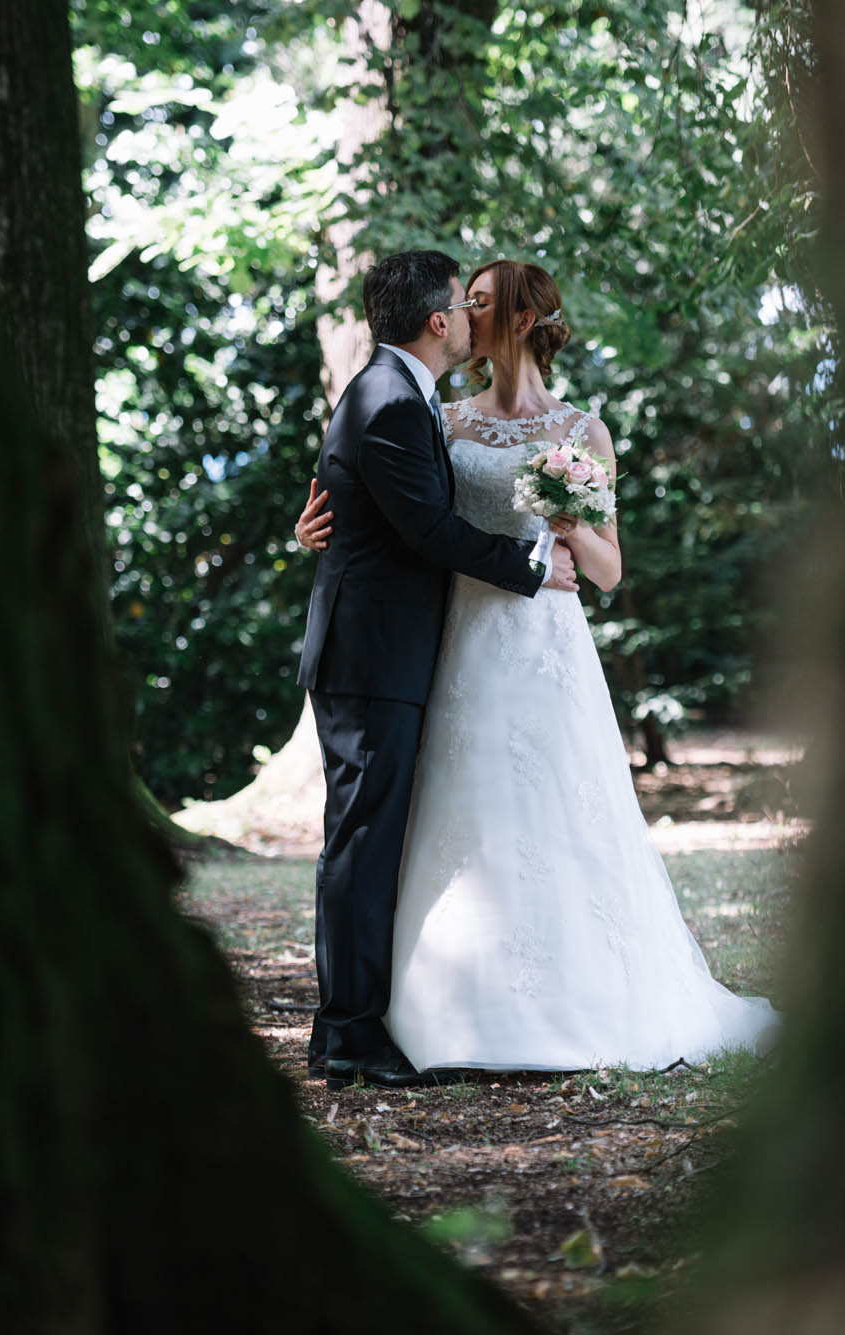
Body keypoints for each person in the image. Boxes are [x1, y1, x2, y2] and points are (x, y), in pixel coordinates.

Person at [296, 258, 776, 1073]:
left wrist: (567, 522)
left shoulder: (584, 433)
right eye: (463, 301)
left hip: (546, 647)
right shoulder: (438, 416)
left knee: (559, 814)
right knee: (443, 816)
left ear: (519, 320)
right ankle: (416, 1009)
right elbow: (384, 500)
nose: (465, 316)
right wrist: (314, 529)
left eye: (480, 303)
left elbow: (608, 569)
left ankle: (569, 998)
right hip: (453, 640)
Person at [295, 250, 580, 1090]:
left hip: (387, 646)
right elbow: (424, 527)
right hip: (371, 652)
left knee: (372, 837)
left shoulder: (397, 396)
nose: (467, 317)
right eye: (462, 305)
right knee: (360, 841)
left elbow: (363, 503)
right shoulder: (389, 400)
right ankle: (347, 1033)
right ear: (436, 321)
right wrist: (530, 565)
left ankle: (351, 1025)